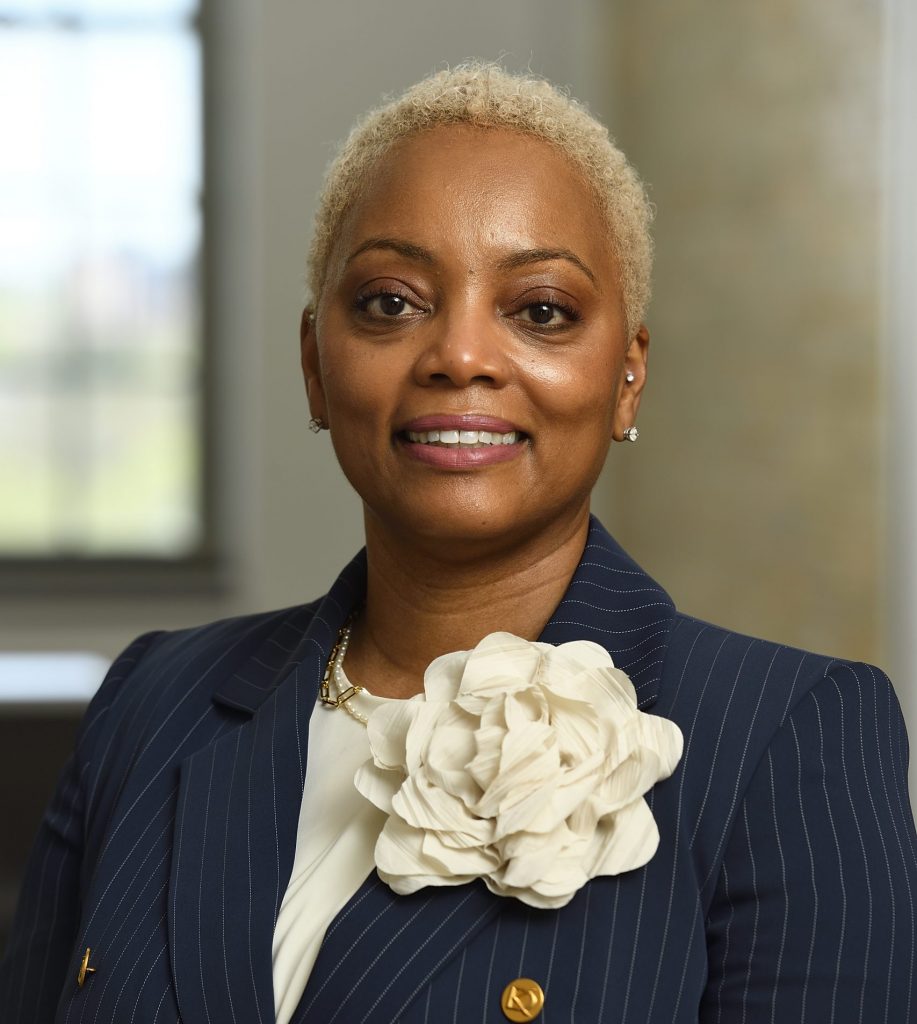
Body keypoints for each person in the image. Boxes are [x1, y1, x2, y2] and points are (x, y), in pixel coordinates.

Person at [2, 62, 915, 1024]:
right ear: (315, 365)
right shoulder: (154, 701)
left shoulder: (786, 738)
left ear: (626, 379)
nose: (460, 356)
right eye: (392, 302)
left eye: (540, 312)